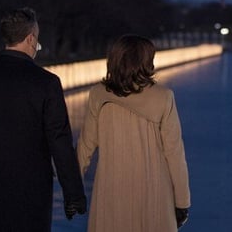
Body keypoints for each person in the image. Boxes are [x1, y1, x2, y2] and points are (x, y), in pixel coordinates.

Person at [0, 7, 87, 231]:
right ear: (30, 38)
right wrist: (73, 194)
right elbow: (59, 141)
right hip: (29, 192)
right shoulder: (46, 83)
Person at [77, 35, 191, 231]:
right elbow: (174, 154)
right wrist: (182, 201)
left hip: (110, 189)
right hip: (154, 192)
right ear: (147, 62)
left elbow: (85, 147)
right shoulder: (163, 97)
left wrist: (73, 189)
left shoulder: (98, 95)